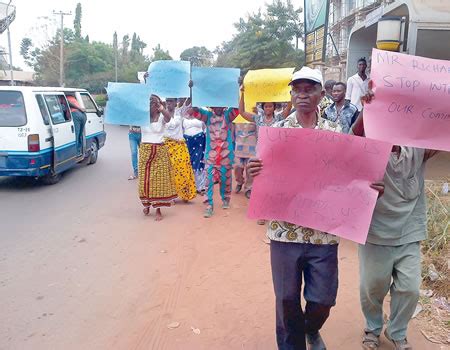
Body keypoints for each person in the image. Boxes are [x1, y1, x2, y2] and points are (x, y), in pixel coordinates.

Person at [247, 67, 384, 350]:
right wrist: (253, 171)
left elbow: (351, 173)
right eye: (297, 89)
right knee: (286, 299)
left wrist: (369, 189)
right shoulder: (276, 133)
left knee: (323, 300)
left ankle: (310, 328)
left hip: (323, 234)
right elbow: (262, 173)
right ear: (291, 94)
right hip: (285, 234)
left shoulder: (335, 133)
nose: (303, 94)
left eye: (309, 89)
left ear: (321, 95)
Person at [352, 85, 439, 350]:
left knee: (410, 288)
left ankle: (397, 331)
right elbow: (352, 138)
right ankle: (373, 327)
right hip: (375, 231)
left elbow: (441, 134)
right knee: (373, 287)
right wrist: (367, 109)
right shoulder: (369, 146)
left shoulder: (418, 148)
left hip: (408, 231)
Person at [189, 104, 239, 218]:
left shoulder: (227, 115)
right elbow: (194, 111)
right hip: (211, 157)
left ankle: (226, 198)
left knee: (225, 180)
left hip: (225, 156)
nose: (218, 108)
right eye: (215, 106)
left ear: (224, 107)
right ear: (212, 106)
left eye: (220, 105)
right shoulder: (207, 116)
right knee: (209, 181)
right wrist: (193, 92)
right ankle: (209, 205)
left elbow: (238, 109)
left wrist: (239, 90)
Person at [138, 95, 177, 221]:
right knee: (145, 181)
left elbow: (169, 117)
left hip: (159, 151)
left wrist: (161, 108)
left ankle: (158, 209)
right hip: (145, 151)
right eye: (150, 104)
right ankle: (147, 205)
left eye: (154, 104)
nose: (152, 107)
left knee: (158, 182)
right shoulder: (141, 117)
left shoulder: (162, 117)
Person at [163, 98, 197, 202]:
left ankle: (184, 194)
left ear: (175, 102)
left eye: (171, 101)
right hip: (166, 145)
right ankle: (171, 195)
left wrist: (191, 87)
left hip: (179, 145)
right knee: (169, 171)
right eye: (167, 101)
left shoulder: (179, 112)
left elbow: (189, 100)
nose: (169, 103)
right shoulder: (162, 114)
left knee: (183, 170)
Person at [183, 100, 207, 194]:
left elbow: (205, 127)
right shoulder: (184, 111)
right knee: (187, 162)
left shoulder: (203, 110)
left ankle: (200, 186)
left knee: (199, 162)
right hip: (187, 141)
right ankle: (188, 185)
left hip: (199, 140)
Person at [233, 121, 257, 198]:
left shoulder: (254, 115)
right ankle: (239, 182)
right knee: (237, 167)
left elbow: (259, 131)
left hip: (252, 146)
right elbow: (232, 134)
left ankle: (249, 188)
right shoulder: (237, 117)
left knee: (250, 168)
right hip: (238, 147)